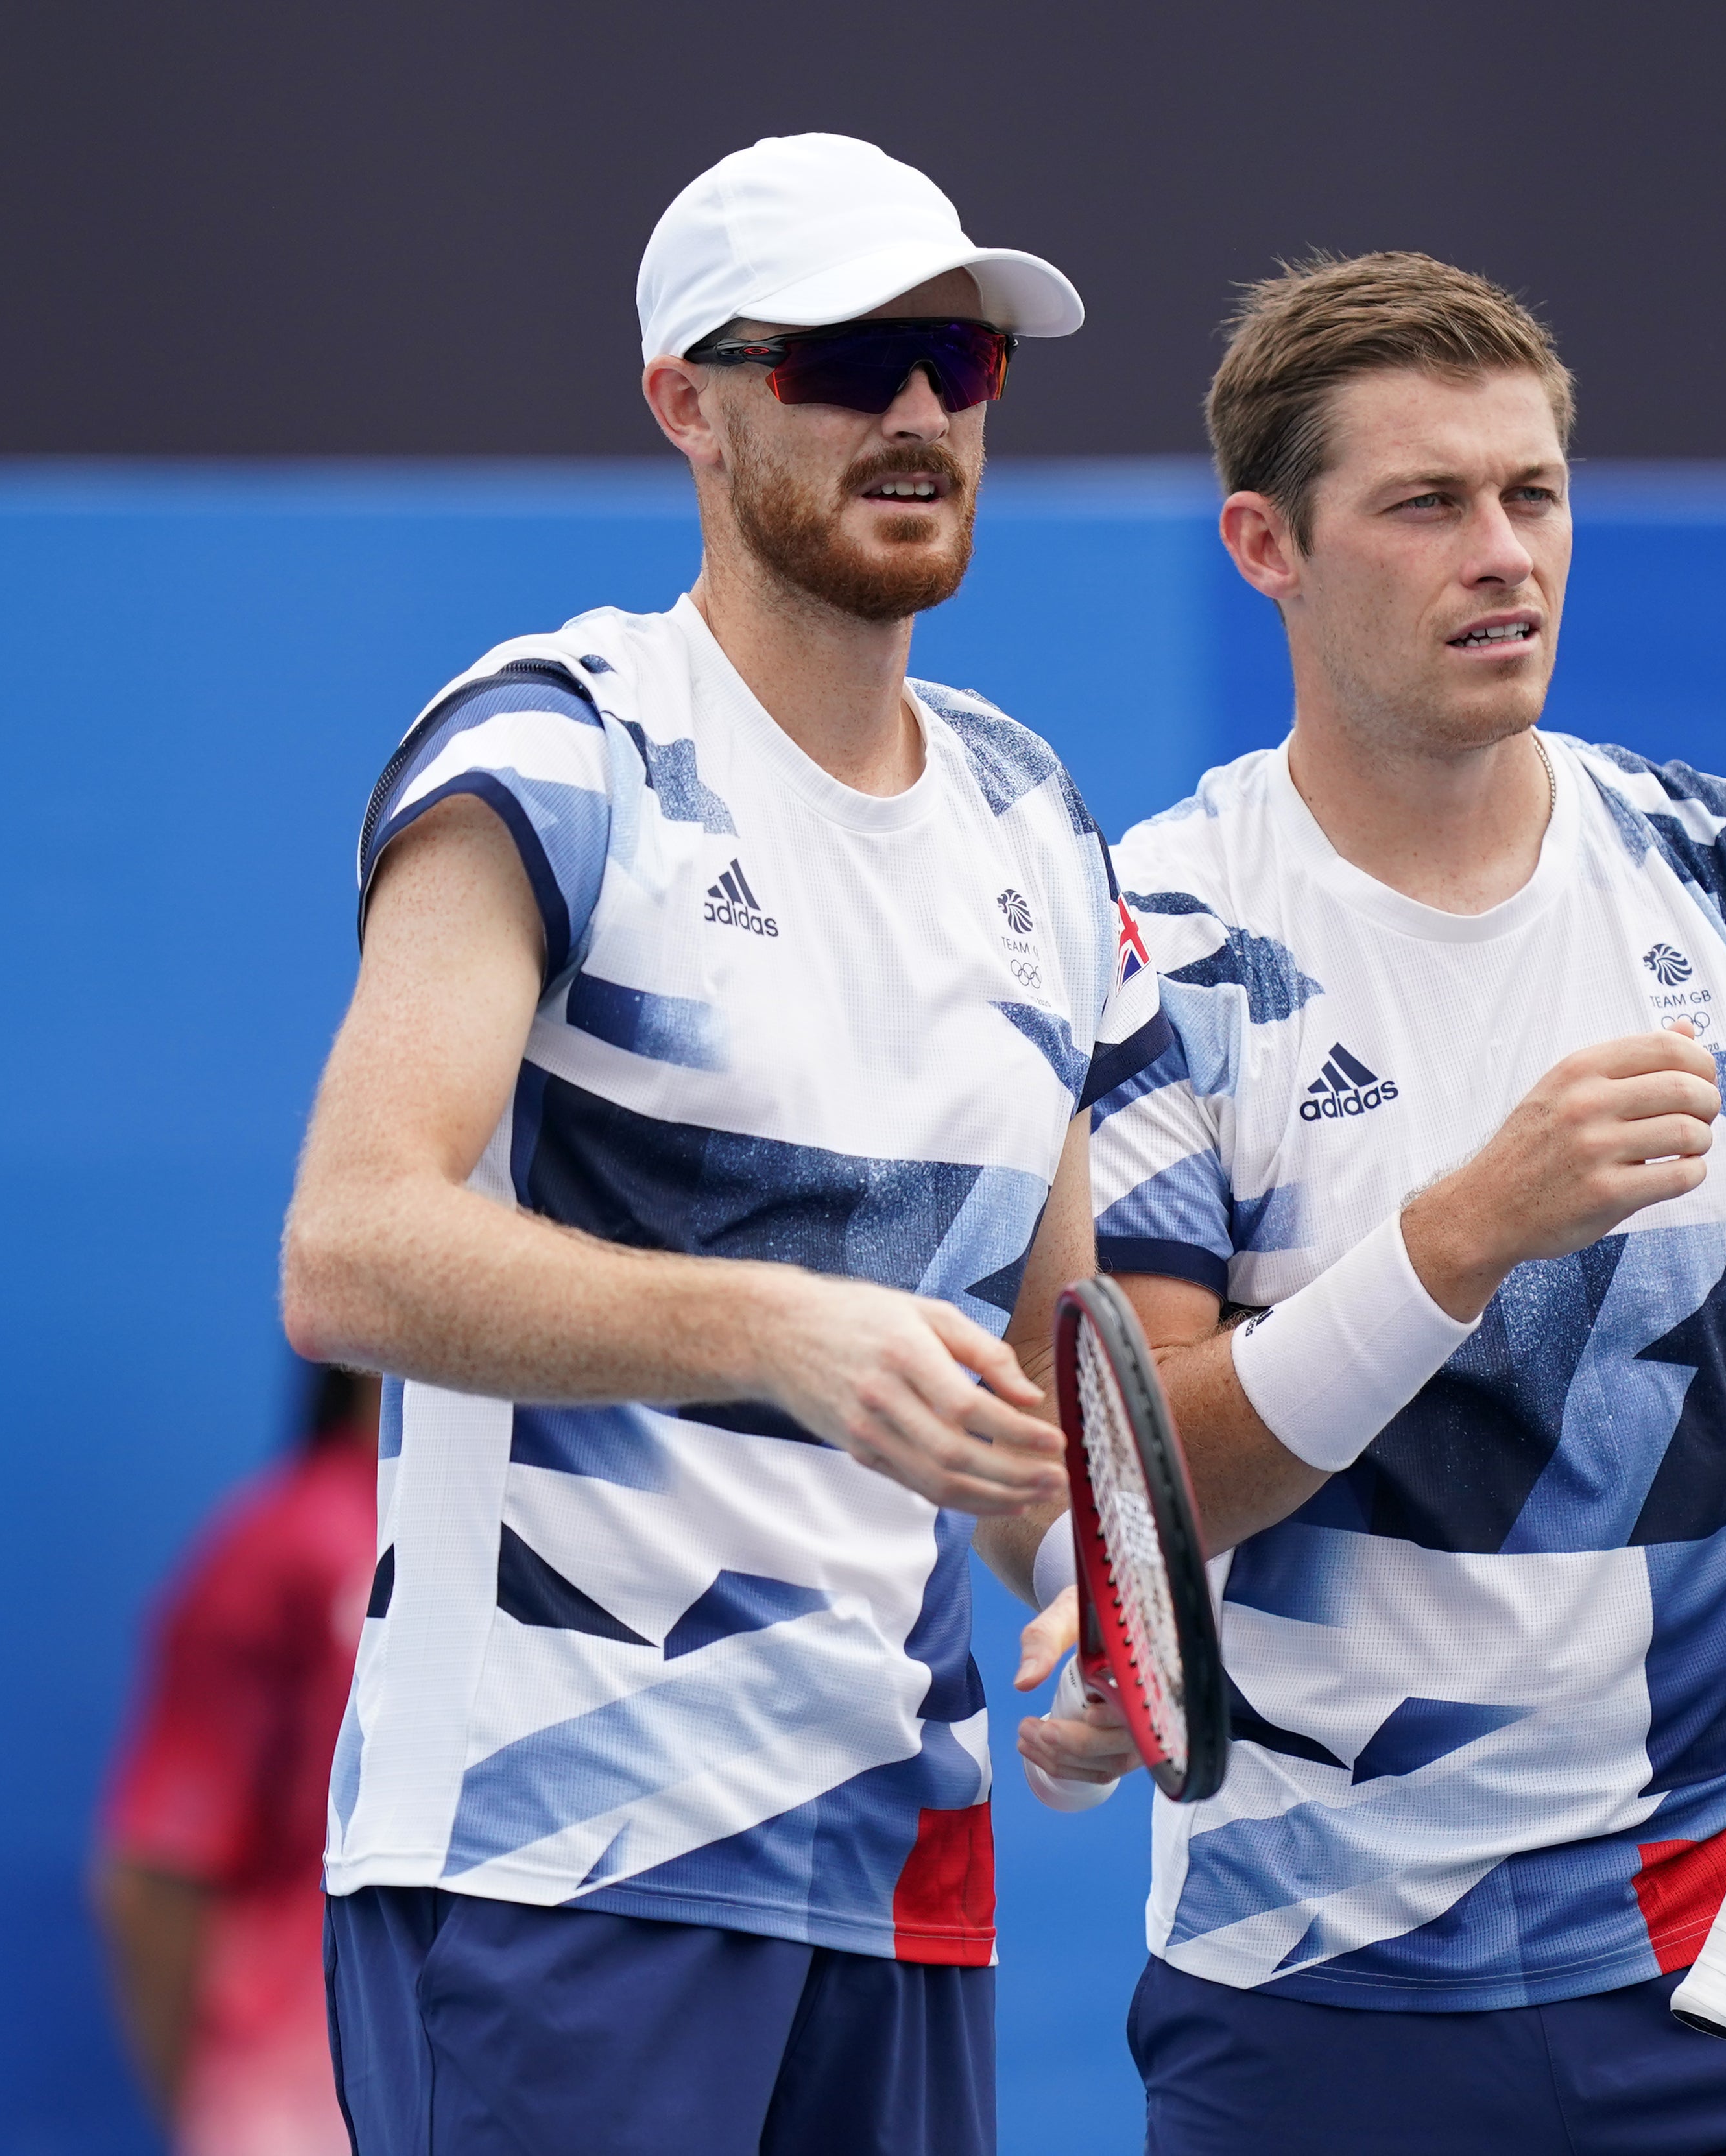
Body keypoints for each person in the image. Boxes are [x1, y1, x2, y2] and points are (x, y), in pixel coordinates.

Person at [1014, 254, 1726, 2153]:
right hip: (1317, 1976)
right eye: (1426, 503)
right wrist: (1462, 1231)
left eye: (1533, 492)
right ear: (1267, 544)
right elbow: (1143, 1493)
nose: (1505, 552)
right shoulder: (1153, 940)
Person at [280, 134, 1149, 2156]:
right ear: (691, 400)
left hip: (903, 1868)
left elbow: (1052, 1398)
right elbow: (349, 1247)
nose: (923, 408)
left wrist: (1085, 1602)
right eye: (849, 363)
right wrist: (781, 1328)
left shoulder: (1037, 821)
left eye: (961, 356)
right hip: (560, 1850)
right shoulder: (554, 747)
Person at [96, 1361, 379, 2156]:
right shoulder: (282, 1547)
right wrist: (226, 2118)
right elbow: (154, 1876)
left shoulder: (536, 1553)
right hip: (295, 2104)